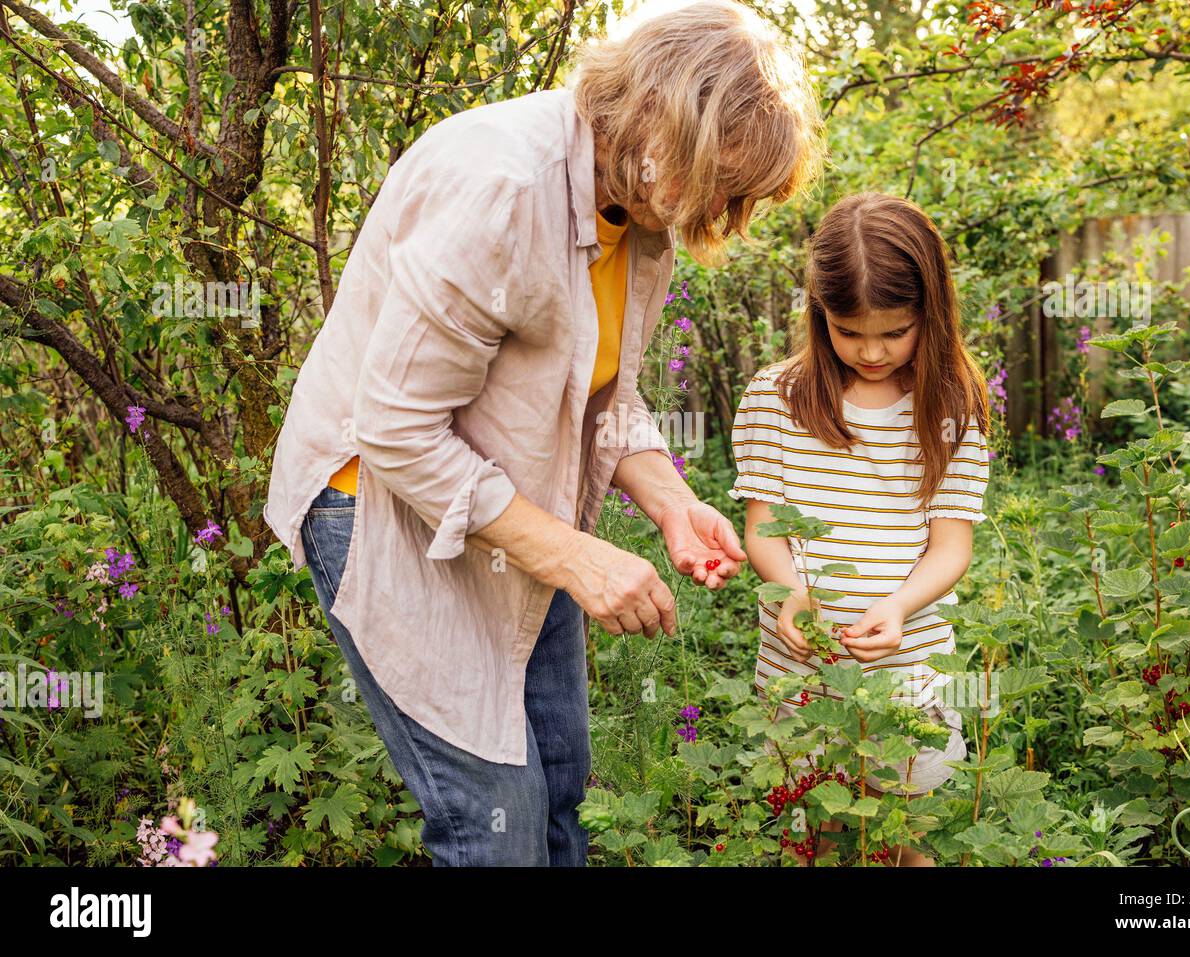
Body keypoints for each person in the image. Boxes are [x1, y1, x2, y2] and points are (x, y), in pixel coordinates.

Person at [262, 0, 825, 865]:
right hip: (378, 505)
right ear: (660, 121)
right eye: (725, 183)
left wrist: (670, 500)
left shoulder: (639, 217)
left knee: (561, 783)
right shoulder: (502, 187)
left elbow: (605, 393)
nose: (727, 214)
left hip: (510, 502)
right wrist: (579, 558)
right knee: (497, 819)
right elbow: (395, 429)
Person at [727, 192, 992, 866]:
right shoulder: (776, 399)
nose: (871, 350)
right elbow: (763, 527)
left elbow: (951, 544)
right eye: (849, 332)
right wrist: (793, 590)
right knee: (811, 835)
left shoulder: (951, 409)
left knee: (904, 840)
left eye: (894, 331)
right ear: (820, 314)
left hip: (907, 672)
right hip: (802, 673)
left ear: (930, 313)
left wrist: (900, 605)